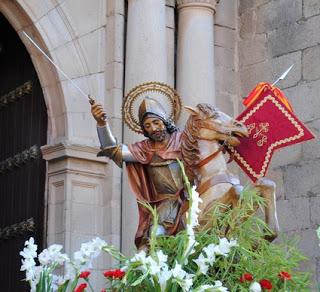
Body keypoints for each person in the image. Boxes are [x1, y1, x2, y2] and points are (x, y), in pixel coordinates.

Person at [91, 97, 186, 249]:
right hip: (166, 204)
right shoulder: (143, 149)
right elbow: (113, 151)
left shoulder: (183, 141)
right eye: (147, 125)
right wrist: (102, 124)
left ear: (164, 120)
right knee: (153, 237)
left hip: (191, 199)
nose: (153, 128)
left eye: (156, 122)